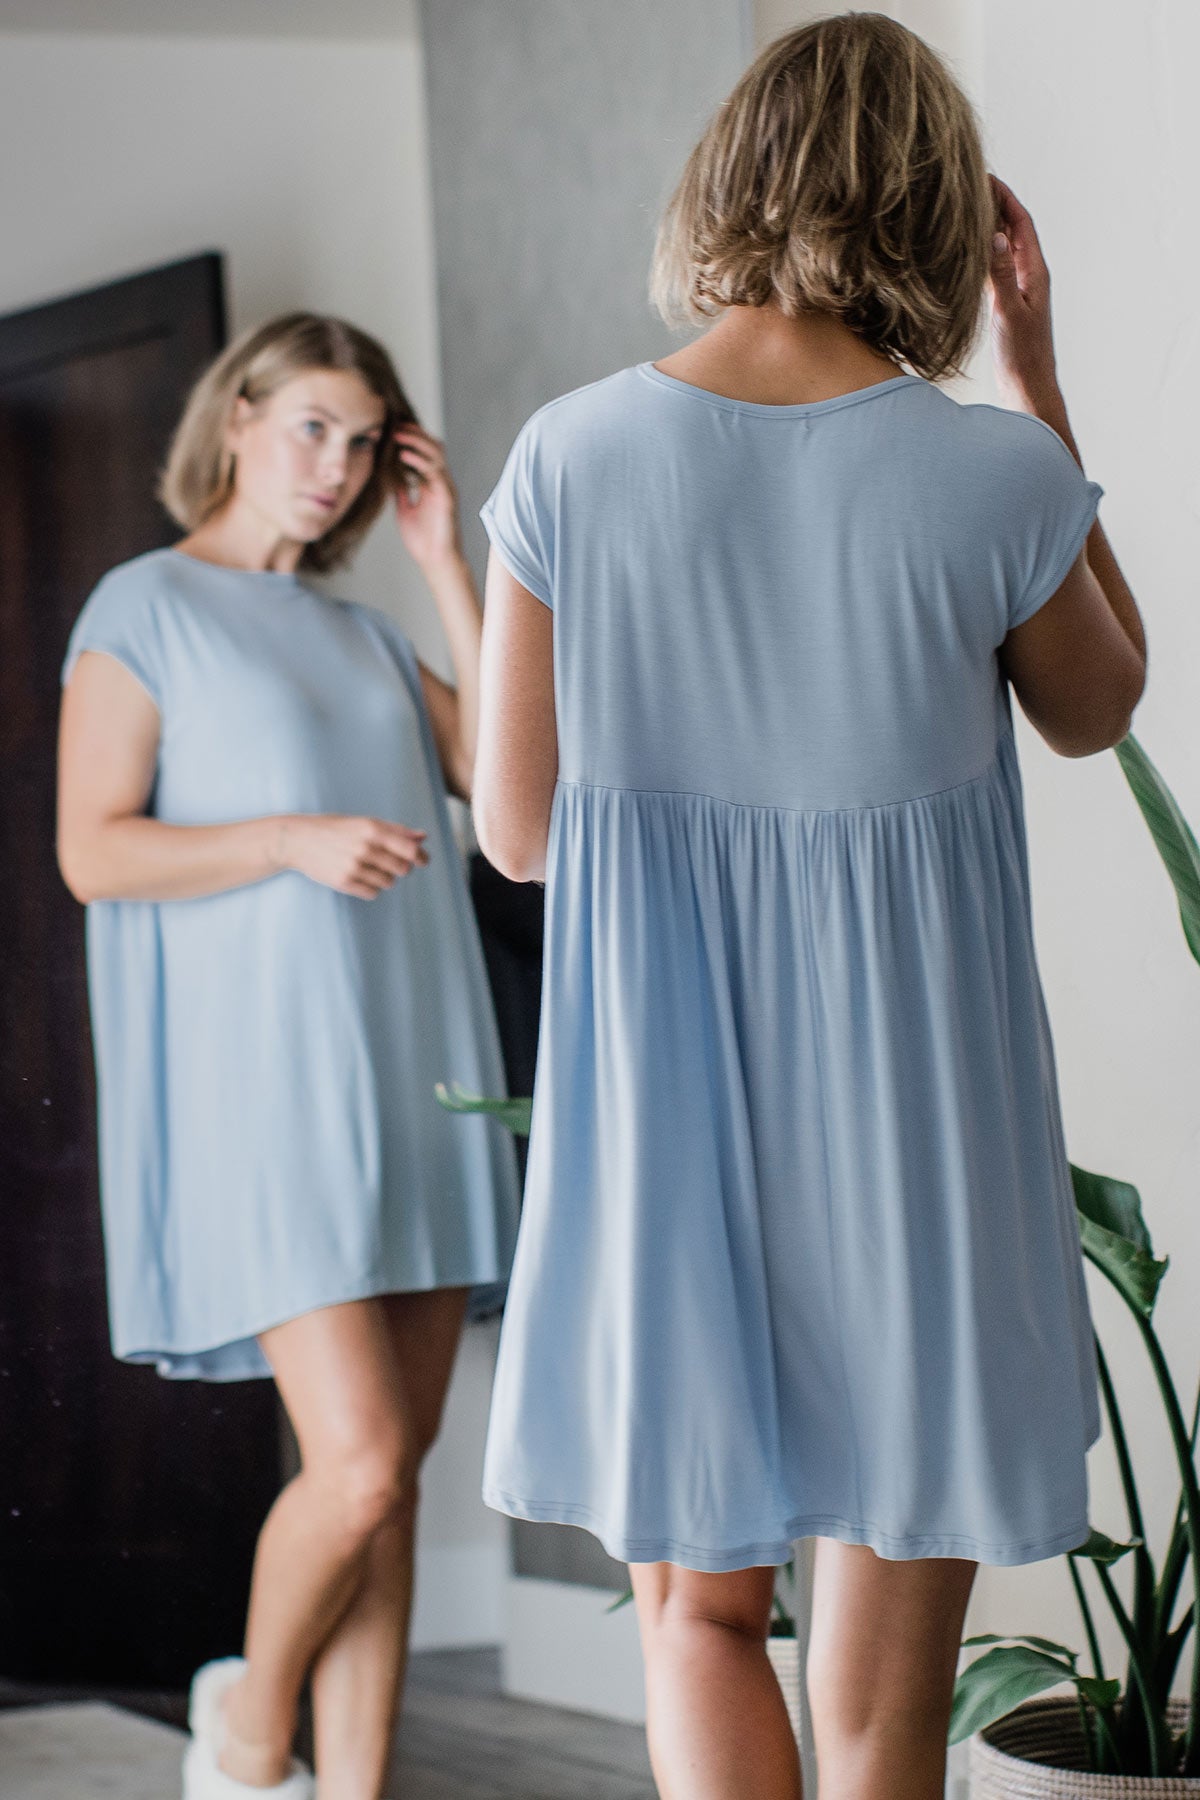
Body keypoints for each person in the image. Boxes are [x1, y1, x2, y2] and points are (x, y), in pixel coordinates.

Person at [471, 15, 1146, 1800]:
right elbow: (1101, 708)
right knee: (882, 1711)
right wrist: (1040, 386)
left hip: (668, 1127)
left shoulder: (567, 456)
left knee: (697, 1619)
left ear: (728, 181)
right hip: (919, 1137)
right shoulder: (989, 474)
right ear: (935, 206)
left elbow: (521, 832)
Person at [56, 312, 521, 1800]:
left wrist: (445, 561)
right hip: (273, 1100)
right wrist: (287, 841)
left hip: (420, 1077)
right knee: (364, 1463)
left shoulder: (368, 630)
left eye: (368, 440)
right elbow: (92, 851)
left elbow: (516, 789)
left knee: (388, 1497)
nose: (336, 468)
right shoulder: (143, 606)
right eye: (312, 427)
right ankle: (254, 1726)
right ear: (238, 416)